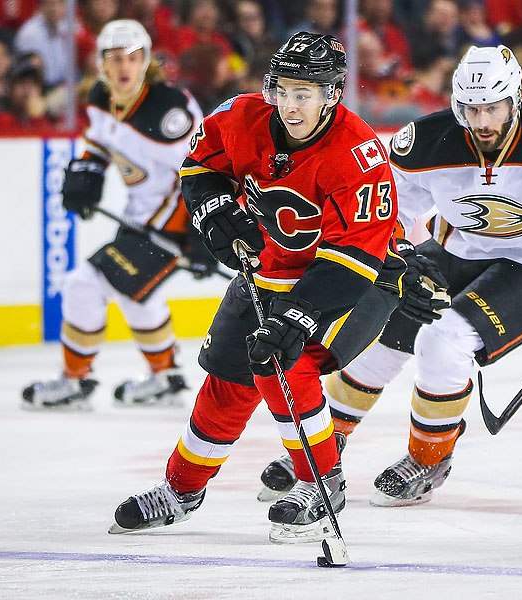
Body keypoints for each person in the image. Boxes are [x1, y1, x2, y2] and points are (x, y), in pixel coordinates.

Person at [257, 44, 522, 507]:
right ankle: (323, 448)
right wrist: (400, 258)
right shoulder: (423, 144)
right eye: (471, 109)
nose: (482, 121)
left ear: (515, 101)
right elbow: (385, 211)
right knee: (381, 335)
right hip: (453, 252)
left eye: (493, 108)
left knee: (444, 340)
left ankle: (428, 458)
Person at [108, 32, 406, 543]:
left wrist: (299, 315)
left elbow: (355, 256)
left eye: (304, 93)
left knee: (288, 361)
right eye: (284, 90)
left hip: (362, 277)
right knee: (228, 375)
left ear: (331, 95)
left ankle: (323, 481)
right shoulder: (241, 117)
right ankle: (181, 489)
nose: (290, 105)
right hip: (271, 268)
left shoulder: (358, 154)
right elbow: (200, 167)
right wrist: (212, 208)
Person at [21, 20, 206, 409]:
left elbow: (207, 172)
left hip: (174, 225)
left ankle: (75, 381)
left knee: (85, 284)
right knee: (135, 294)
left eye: (134, 58)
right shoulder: (100, 97)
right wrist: (87, 171)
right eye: (116, 59)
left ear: (147, 61)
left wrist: (203, 232)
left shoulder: (169, 112)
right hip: (138, 218)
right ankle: (167, 378)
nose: (125, 68)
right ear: (102, 63)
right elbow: (100, 142)